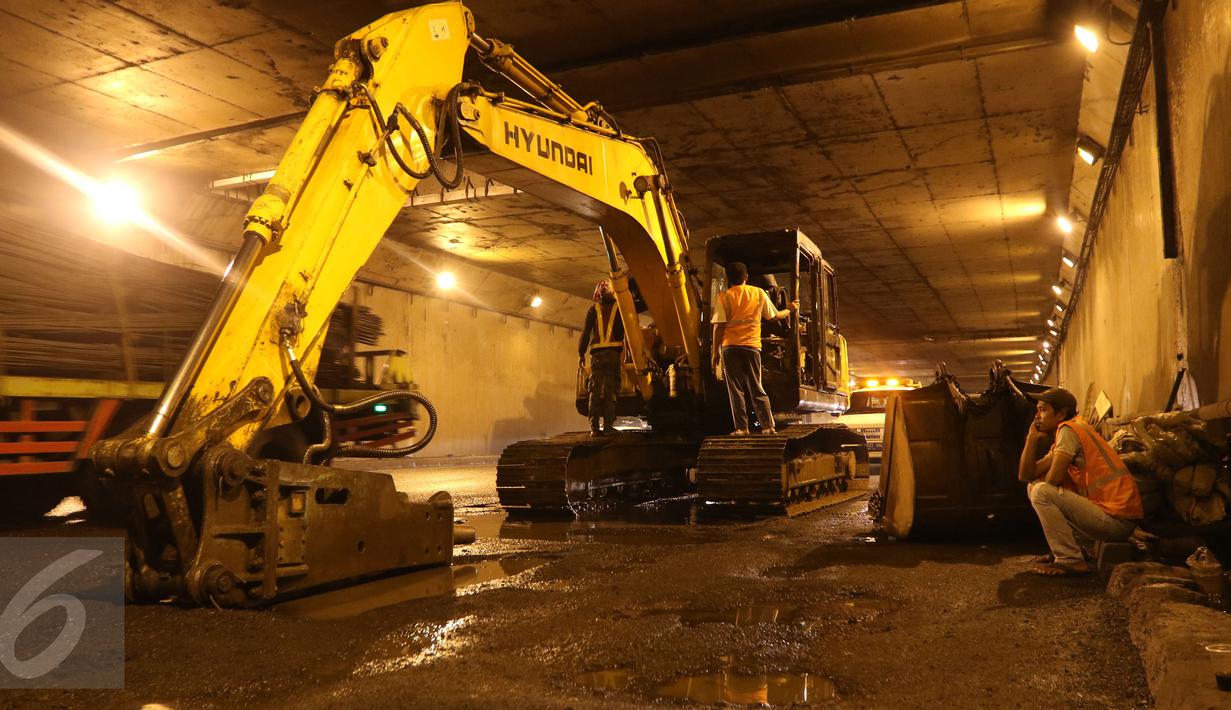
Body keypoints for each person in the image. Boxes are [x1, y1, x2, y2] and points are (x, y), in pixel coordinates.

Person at [1018, 387, 1143, 577]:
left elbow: (1053, 479)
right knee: (1033, 486)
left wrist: (1048, 475)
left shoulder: (1069, 430)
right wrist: (1031, 438)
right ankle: (1075, 550)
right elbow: (1026, 475)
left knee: (1042, 491)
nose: (1038, 416)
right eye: (1038, 409)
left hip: (1117, 521)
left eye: (1043, 410)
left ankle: (1070, 560)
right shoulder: (1069, 432)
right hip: (1107, 514)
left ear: (1061, 414)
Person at [711, 262, 797, 435]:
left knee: (735, 389)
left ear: (728, 279)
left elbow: (718, 327)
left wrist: (715, 353)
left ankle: (742, 428)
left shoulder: (724, 297)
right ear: (746, 277)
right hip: (752, 346)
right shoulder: (757, 293)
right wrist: (790, 309)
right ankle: (768, 426)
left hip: (730, 347)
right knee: (756, 386)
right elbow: (774, 317)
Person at [578, 280, 625, 436]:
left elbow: (585, 334)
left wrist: (581, 353)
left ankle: (594, 428)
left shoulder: (593, 310)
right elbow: (628, 333)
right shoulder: (620, 309)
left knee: (595, 391)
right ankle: (608, 427)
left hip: (597, 356)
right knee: (611, 390)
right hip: (613, 356)